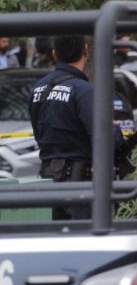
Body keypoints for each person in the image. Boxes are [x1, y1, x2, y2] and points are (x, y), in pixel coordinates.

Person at [29, 36, 131, 220]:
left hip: (48, 183)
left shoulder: (38, 89)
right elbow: (107, 139)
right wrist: (115, 129)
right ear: (86, 51)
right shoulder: (83, 90)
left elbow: (39, 134)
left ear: (54, 54)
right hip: (81, 187)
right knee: (85, 242)